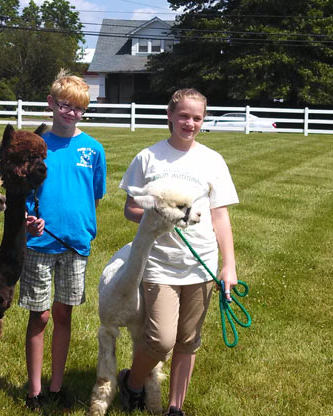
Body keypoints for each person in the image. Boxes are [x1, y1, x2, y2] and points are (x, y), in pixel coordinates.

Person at [117, 88, 238, 416]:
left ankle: (175, 407)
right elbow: (130, 209)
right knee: (161, 339)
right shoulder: (148, 157)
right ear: (169, 116)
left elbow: (220, 216)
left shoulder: (212, 160)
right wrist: (158, 214)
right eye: (183, 116)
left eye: (197, 117)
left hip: (201, 263)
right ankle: (132, 381)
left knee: (188, 339)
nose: (190, 123)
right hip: (158, 262)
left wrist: (229, 265)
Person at [20, 69, 107, 410]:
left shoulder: (93, 149)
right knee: (38, 316)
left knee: (64, 314)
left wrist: (83, 226)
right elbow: (24, 192)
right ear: (51, 104)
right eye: (65, 105)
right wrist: (29, 219)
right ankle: (35, 390)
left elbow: (94, 195)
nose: (71, 113)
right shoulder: (36, 146)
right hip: (40, 244)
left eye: (78, 108)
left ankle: (57, 386)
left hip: (75, 245)